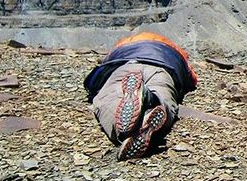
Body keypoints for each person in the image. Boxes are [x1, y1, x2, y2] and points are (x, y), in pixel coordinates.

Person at [84, 33, 198, 161]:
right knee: (165, 98)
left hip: (125, 66)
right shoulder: (175, 50)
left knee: (109, 99)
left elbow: (95, 77)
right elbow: (191, 79)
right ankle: (153, 100)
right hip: (162, 68)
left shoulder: (121, 46)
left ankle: (122, 132)